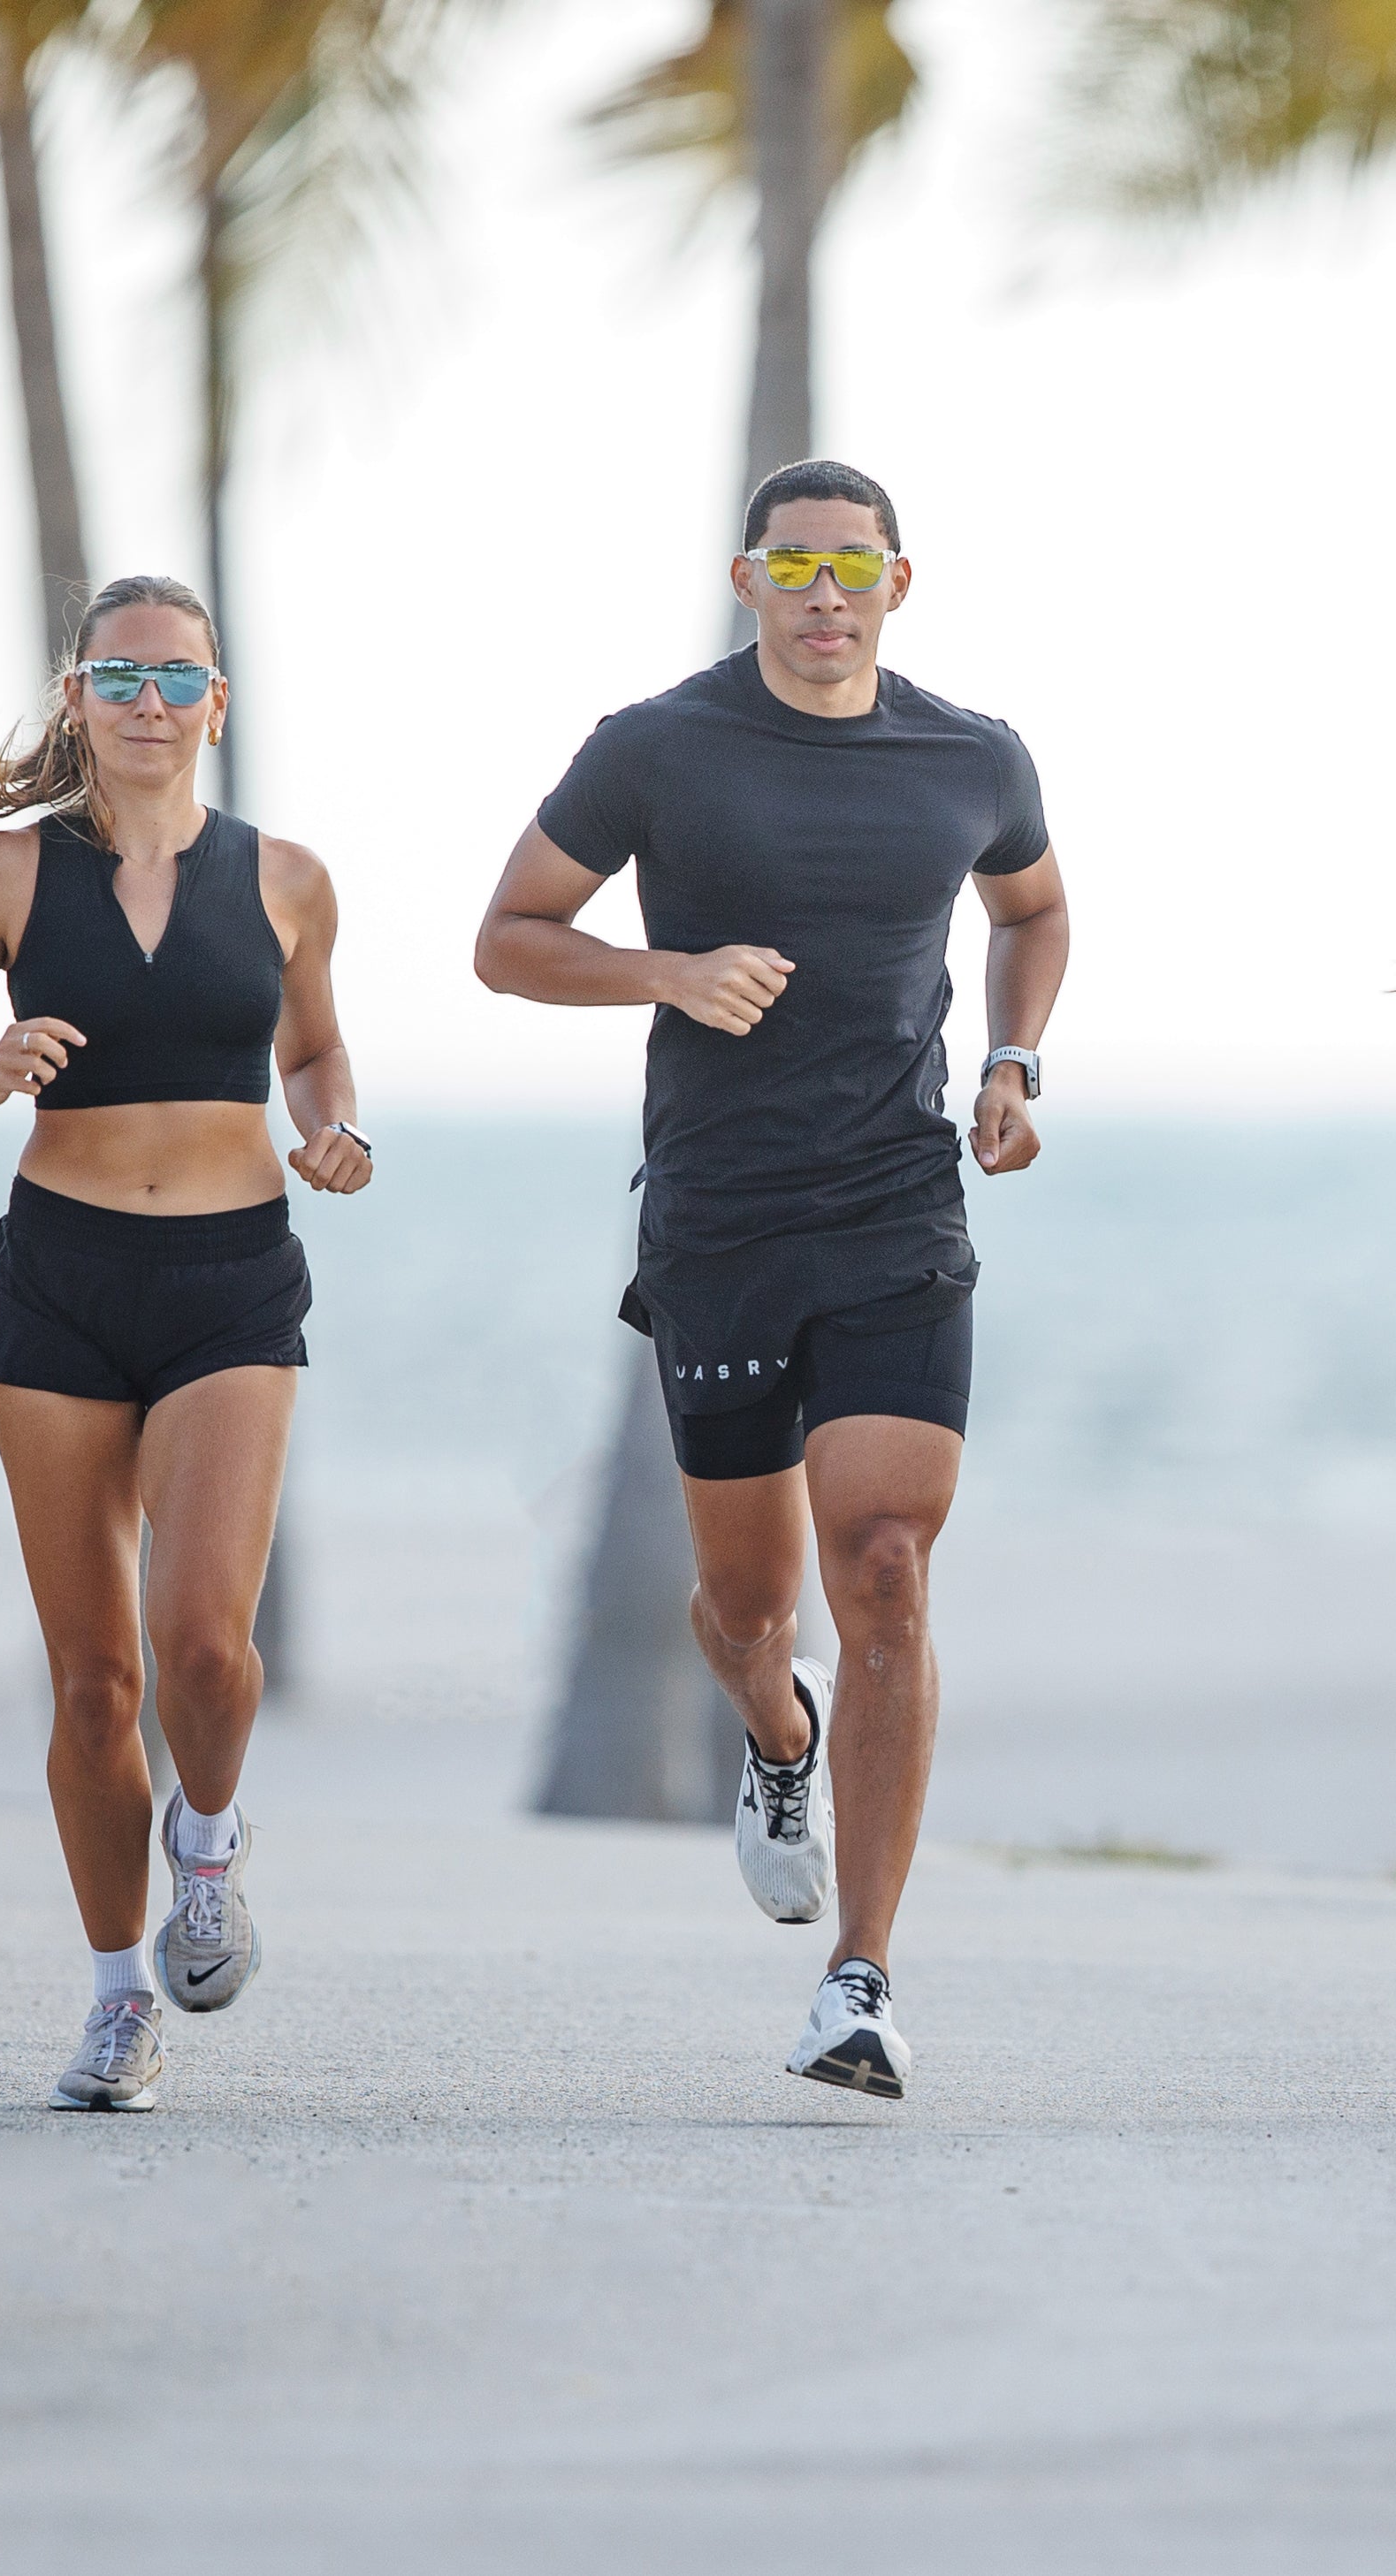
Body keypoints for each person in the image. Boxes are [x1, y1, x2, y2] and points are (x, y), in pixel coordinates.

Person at [476, 459, 1070, 2099]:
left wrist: (1013, 1060)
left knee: (884, 1566)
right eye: (793, 565)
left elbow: (1032, 908)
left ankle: (858, 1978)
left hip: (897, 1209)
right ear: (748, 581)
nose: (824, 595)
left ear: (898, 584)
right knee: (747, 1611)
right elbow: (508, 935)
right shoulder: (656, 748)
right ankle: (778, 1732)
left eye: (851, 568)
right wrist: (666, 971)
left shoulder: (974, 756)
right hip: (721, 1226)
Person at [0, 572, 372, 2112]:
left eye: (179, 678)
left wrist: (333, 1129)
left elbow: (317, 1049)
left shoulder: (286, 879)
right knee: (92, 1681)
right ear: (76, 698)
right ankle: (114, 1998)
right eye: (122, 678)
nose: (152, 703)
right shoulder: (7, 874)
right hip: (62, 1284)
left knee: (204, 1645)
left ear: (221, 702)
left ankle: (206, 1842)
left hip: (232, 1282)